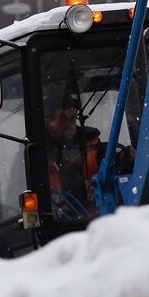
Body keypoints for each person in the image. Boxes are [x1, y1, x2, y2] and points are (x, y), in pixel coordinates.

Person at [44, 92, 102, 220]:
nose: (70, 125)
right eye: (62, 119)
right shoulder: (33, 158)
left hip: (97, 225)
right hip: (53, 228)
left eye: (72, 118)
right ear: (47, 122)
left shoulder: (96, 151)